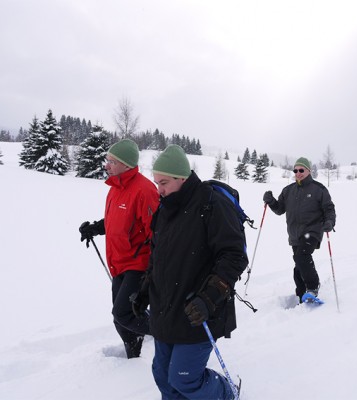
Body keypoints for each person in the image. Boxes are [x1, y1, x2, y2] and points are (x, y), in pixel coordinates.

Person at [131, 144, 247, 399]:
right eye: (156, 182)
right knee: (163, 375)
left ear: (182, 178)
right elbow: (157, 256)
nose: (158, 190)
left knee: (185, 378)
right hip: (164, 309)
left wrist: (209, 298)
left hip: (198, 311)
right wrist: (144, 291)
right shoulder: (164, 210)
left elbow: (234, 256)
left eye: (164, 182)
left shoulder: (211, 204)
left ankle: (226, 393)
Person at [79, 138, 159, 358]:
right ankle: (133, 355)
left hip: (139, 264)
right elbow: (117, 221)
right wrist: (95, 228)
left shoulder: (144, 190)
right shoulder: (115, 187)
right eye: (107, 160)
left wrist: (155, 267)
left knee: (124, 313)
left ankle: (166, 331)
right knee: (119, 317)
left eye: (112, 161)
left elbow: (157, 232)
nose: (107, 165)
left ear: (126, 164)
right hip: (119, 262)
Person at [263, 157, 336, 303]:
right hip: (295, 234)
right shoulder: (288, 190)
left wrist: (330, 222)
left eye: (301, 170)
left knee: (302, 257)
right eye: (295, 170)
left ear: (309, 171)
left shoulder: (318, 189)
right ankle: (302, 295)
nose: (298, 173)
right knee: (298, 264)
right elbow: (279, 209)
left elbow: (329, 209)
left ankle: (313, 287)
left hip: (313, 231)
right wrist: (271, 202)